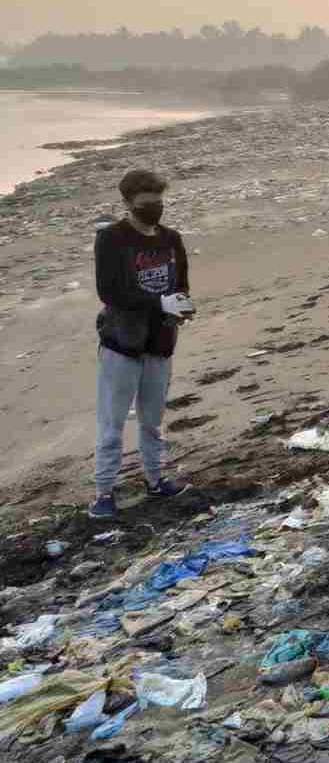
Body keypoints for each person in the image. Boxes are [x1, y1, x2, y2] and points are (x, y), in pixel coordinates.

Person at [91, 168, 194, 519]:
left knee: (152, 419)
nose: (154, 207)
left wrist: (180, 306)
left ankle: (155, 479)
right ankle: (104, 492)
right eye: (146, 202)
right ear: (128, 203)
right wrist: (158, 303)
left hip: (160, 341)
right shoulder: (112, 239)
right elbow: (109, 291)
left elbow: (180, 283)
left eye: (158, 201)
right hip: (122, 341)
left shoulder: (171, 239)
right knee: (112, 422)